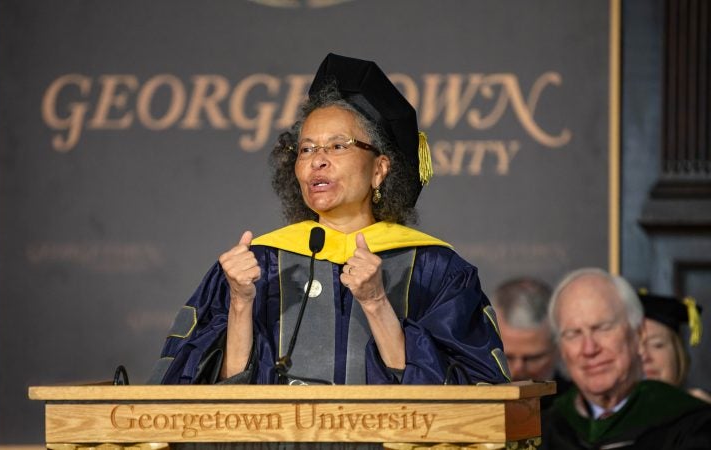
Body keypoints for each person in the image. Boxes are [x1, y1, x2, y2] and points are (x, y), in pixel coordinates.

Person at [148, 53, 510, 386]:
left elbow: (473, 400)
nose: (317, 160)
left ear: (379, 170)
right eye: (306, 148)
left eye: (338, 146)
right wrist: (241, 304)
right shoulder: (258, 264)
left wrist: (376, 304)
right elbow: (207, 405)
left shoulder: (435, 271)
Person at [541, 268, 711, 449]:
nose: (589, 349)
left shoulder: (693, 424)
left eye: (602, 328)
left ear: (638, 334)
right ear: (560, 348)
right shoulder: (542, 431)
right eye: (573, 334)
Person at [492, 277, 570, 408]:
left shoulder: (583, 411)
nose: (518, 369)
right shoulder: (461, 405)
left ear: (558, 348)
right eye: (506, 357)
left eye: (532, 358)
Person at [638, 289, 711, 403]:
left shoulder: (699, 411)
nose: (645, 357)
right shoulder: (605, 417)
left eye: (657, 345)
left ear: (678, 354)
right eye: (635, 348)